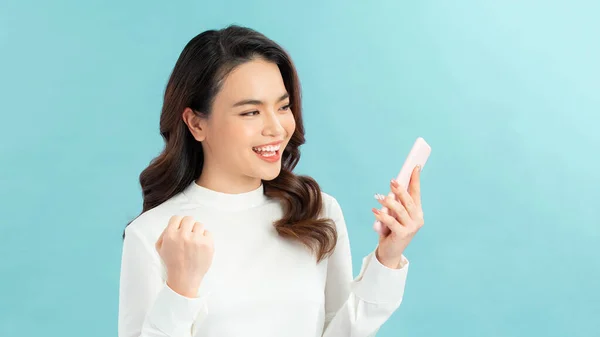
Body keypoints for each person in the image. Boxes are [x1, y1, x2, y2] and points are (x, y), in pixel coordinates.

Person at [117, 25, 425, 337]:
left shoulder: (316, 212)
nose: (276, 128)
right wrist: (180, 291)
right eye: (251, 112)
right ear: (197, 123)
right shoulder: (152, 234)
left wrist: (387, 259)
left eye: (283, 106)